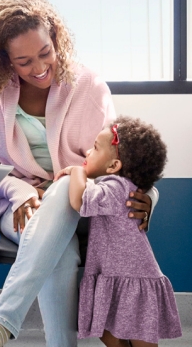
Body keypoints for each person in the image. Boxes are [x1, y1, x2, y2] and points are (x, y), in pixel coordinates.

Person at [0, 0, 158, 347]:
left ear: (55, 39)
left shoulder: (90, 87)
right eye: (23, 61)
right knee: (61, 251)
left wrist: (150, 196)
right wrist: (22, 192)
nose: (39, 67)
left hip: (87, 203)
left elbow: (122, 160)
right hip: (20, 206)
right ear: (3, 60)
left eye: (45, 53)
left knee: (60, 189)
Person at [55, 116, 182, 346]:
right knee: (109, 332)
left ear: (114, 166)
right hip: (121, 275)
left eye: (94, 148)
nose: (87, 154)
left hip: (130, 277)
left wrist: (77, 172)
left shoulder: (114, 188)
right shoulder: (120, 186)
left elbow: (80, 201)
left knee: (130, 336)